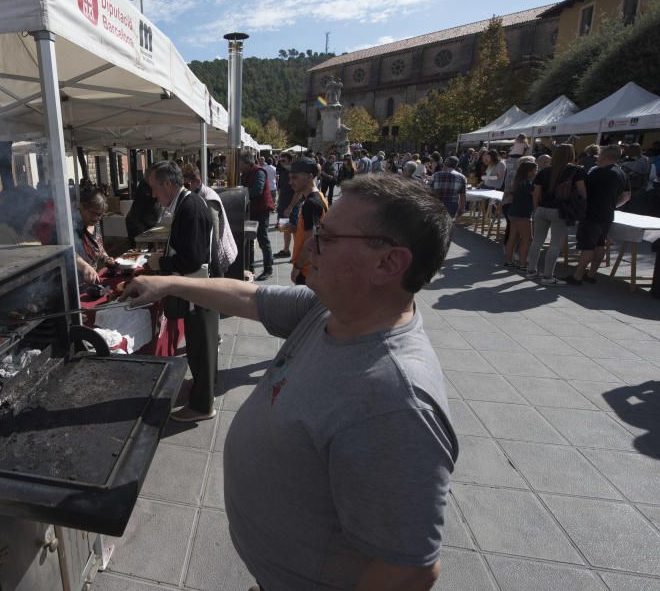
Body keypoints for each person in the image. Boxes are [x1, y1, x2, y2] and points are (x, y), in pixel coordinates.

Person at [121, 174, 457, 590]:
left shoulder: (395, 402)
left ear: (388, 262)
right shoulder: (328, 311)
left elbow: (410, 570)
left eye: (328, 237)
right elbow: (247, 297)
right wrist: (168, 283)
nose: (309, 243)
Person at [146, 161, 219, 422]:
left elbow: (194, 259)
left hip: (200, 292)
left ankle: (202, 405)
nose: (154, 195)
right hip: (198, 290)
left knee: (201, 347)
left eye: (154, 188)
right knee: (200, 346)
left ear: (168, 184)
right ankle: (202, 390)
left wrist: (161, 263)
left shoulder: (190, 207)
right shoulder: (188, 204)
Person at [565, 145, 631, 285]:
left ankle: (577, 276)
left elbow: (583, 192)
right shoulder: (622, 173)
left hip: (592, 213)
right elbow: (626, 196)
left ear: (606, 157)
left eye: (599, 155)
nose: (597, 158)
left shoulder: (598, 173)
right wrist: (613, 206)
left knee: (588, 246)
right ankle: (591, 274)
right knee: (600, 244)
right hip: (607, 214)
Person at [526, 143, 587, 286]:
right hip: (561, 210)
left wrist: (536, 210)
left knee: (537, 241)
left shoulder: (544, 172)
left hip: (542, 209)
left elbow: (536, 193)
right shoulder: (576, 171)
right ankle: (548, 276)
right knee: (555, 244)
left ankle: (531, 271)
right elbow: (583, 193)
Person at [182, 163, 238, 276]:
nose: (183, 189)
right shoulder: (195, 195)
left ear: (197, 182)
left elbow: (214, 237)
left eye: (186, 185)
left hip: (217, 255)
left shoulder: (208, 199)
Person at [287, 158, 328, 286]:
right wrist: (295, 229)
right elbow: (314, 231)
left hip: (308, 271)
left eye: (295, 177)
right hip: (312, 268)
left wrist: (297, 267)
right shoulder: (318, 196)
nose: (290, 182)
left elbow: (311, 242)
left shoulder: (311, 204)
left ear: (310, 177)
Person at [240, 152, 276, 282]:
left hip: (261, 210)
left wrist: (241, 192)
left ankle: (268, 268)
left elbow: (257, 190)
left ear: (246, 163)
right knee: (249, 239)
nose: (239, 166)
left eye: (240, 164)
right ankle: (250, 267)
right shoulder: (246, 173)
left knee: (263, 238)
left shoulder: (259, 172)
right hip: (252, 210)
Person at [503, 160, 537, 270]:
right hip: (523, 214)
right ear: (530, 172)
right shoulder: (528, 183)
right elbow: (536, 195)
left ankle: (509, 261)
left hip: (513, 212)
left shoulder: (517, 181)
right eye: (534, 170)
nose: (536, 173)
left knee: (513, 237)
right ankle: (522, 264)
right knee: (527, 239)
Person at [429, 155, 467, 220]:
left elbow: (429, 191)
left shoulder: (435, 175)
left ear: (445, 164)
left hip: (437, 203)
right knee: (448, 225)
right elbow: (463, 195)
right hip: (452, 206)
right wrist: (462, 209)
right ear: (456, 165)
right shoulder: (462, 177)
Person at [125, 178, 162, 242]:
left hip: (148, 222)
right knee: (141, 247)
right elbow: (136, 215)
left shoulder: (155, 184)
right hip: (138, 222)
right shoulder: (144, 187)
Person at [274, 153, 296, 259]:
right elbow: (282, 189)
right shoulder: (283, 172)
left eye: (284, 161)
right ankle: (286, 250)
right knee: (285, 229)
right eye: (280, 161)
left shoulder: (295, 173)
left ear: (290, 161)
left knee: (295, 229)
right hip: (283, 205)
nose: (281, 163)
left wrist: (291, 206)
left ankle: (297, 252)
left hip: (293, 206)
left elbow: (298, 192)